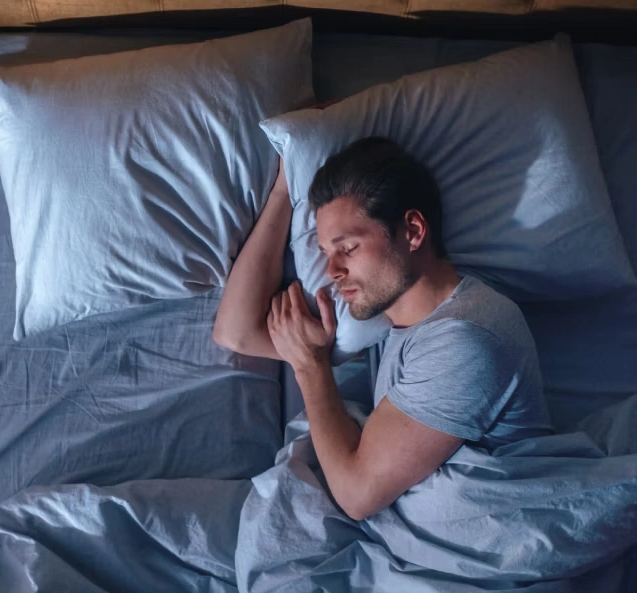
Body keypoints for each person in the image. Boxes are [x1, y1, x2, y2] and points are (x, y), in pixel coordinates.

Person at [213, 137, 553, 520]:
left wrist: (311, 366)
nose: (331, 271)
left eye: (349, 248)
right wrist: (283, 190)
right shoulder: (390, 319)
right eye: (326, 252)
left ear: (412, 230)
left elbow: (357, 496)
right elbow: (234, 332)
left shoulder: (466, 339)